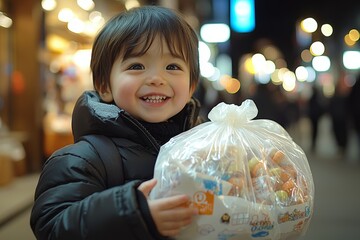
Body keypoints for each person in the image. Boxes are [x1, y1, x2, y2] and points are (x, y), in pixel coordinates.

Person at [30, 5, 201, 240]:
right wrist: (132, 212)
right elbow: (52, 226)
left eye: (173, 66)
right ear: (104, 86)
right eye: (136, 66)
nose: (157, 79)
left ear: (191, 85)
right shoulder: (82, 159)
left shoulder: (204, 150)